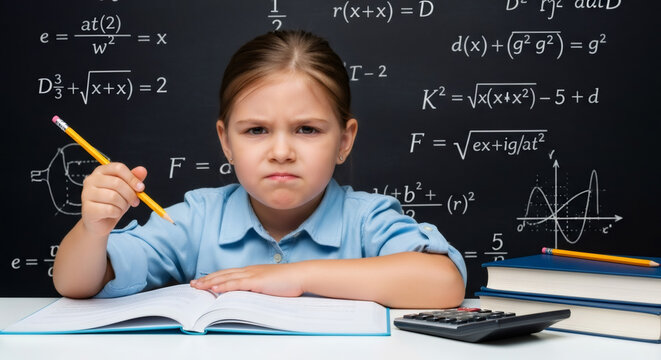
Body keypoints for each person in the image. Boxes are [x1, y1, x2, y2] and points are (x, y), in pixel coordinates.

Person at [53, 30, 467, 308]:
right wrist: (94, 229)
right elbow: (74, 284)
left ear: (344, 140)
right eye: (256, 130)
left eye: (307, 129)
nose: (281, 151)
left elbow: (444, 282)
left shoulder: (367, 219)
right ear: (226, 141)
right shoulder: (197, 219)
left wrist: (298, 277)